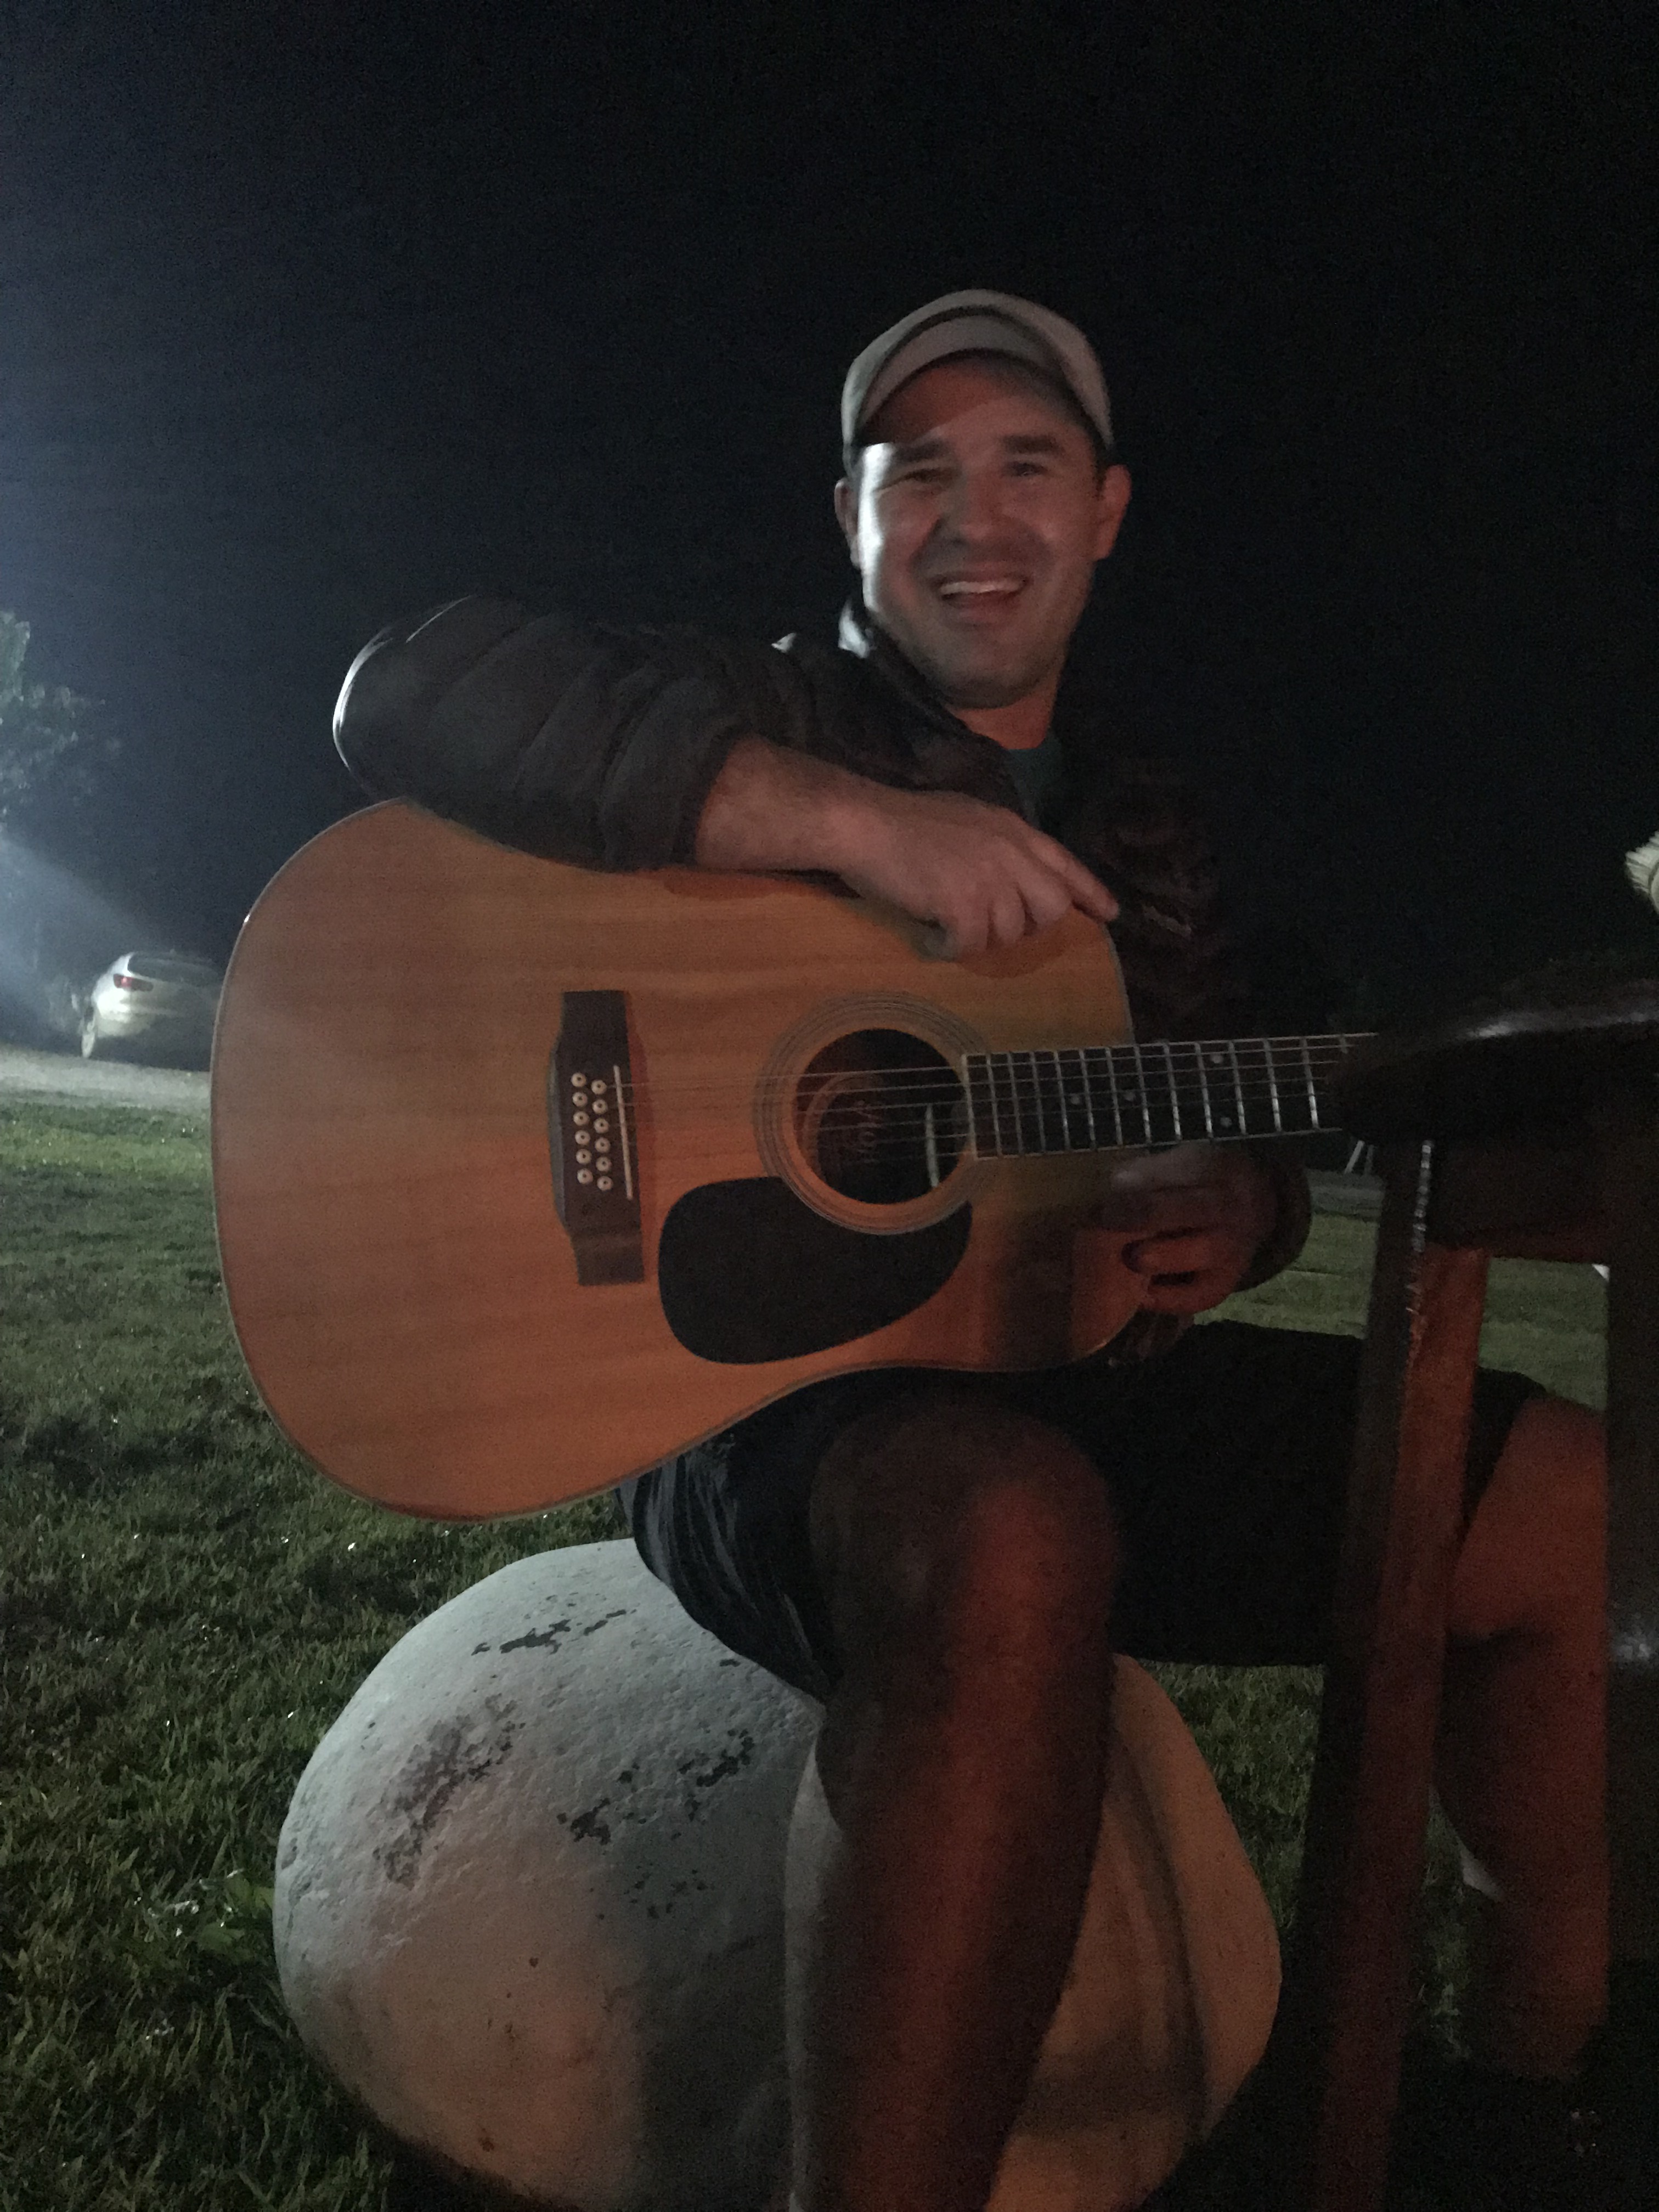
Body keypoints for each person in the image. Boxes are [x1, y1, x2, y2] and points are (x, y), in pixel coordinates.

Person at [335, 292, 1647, 2210]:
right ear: (850, 518)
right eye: (918, 473)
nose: (973, 519)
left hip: (1075, 1370)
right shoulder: (773, 705)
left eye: (1026, 466)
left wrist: (1246, 1205)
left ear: (1105, 512)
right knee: (1010, 1529)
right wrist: (837, 817)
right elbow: (410, 689)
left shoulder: (1150, 829)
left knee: (1567, 1507)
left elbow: (1216, 1096)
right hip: (768, 1410)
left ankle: (1512, 2109)